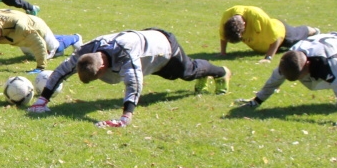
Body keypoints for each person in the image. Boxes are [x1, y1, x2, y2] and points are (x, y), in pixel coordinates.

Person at [28, 29, 230, 127]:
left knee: (188, 72)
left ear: (103, 67)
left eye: (99, 77)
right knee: (186, 74)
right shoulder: (86, 51)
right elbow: (62, 71)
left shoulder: (126, 57)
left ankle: (221, 72)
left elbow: (134, 85)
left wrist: (125, 118)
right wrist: (42, 100)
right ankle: (205, 74)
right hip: (147, 49)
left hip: (164, 49)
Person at [235, 32, 337, 125]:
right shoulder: (290, 59)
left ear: (307, 63)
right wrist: (256, 102)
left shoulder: (325, 60)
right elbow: (274, 81)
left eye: (302, 76)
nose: (303, 79)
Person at [0, 10, 80, 70]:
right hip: (21, 34)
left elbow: (38, 42)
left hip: (37, 28)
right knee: (30, 54)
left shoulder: (20, 28)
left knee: (55, 48)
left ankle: (75, 38)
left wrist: (40, 67)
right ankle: (55, 41)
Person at [219, 5, 318, 63]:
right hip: (263, 43)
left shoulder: (257, 16)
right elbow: (223, 35)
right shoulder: (227, 16)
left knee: (297, 36)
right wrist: (223, 53)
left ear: (245, 24)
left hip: (283, 34)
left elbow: (276, 38)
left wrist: (268, 58)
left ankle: (313, 31)